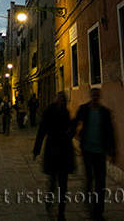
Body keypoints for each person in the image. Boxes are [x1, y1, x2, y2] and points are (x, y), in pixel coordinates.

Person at [73, 88, 116, 221]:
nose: (95, 97)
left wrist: (112, 150)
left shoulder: (105, 112)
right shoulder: (84, 109)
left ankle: (98, 212)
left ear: (99, 97)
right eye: (93, 95)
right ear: (90, 97)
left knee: (100, 182)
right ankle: (88, 202)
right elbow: (75, 122)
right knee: (89, 179)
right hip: (87, 150)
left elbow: (110, 131)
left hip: (100, 151)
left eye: (97, 95)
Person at [33, 91, 74, 221]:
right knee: (52, 180)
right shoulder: (48, 112)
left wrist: (72, 130)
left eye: (63, 99)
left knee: (63, 184)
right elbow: (42, 131)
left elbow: (69, 130)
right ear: (55, 99)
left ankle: (61, 212)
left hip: (64, 152)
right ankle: (50, 198)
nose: (61, 101)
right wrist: (36, 150)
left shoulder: (65, 113)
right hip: (52, 150)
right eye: (59, 98)